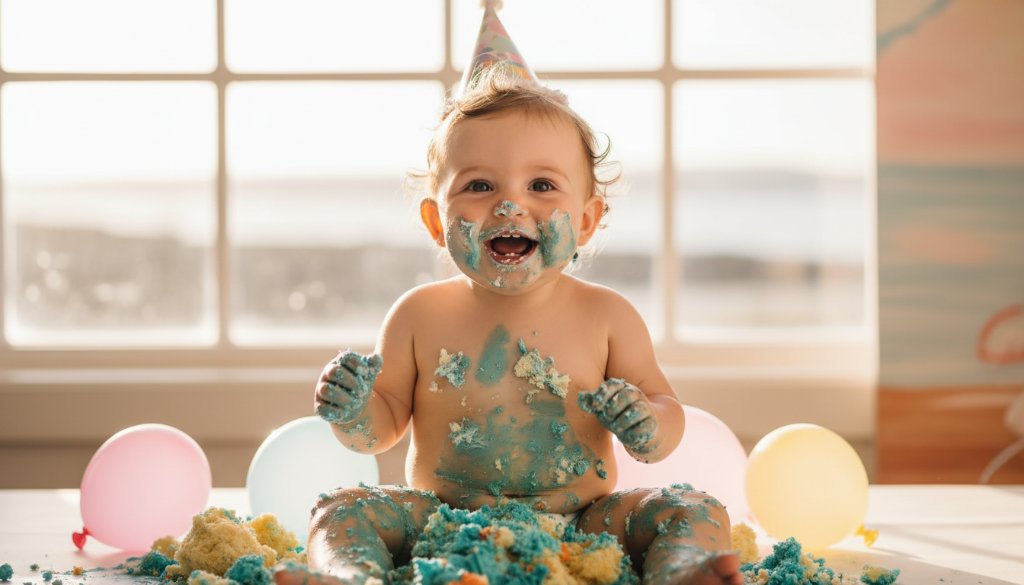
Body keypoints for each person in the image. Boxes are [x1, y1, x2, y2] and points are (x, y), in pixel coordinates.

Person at [275, 6, 741, 585]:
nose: (509, 204)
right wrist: (352, 413)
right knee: (342, 509)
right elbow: (384, 425)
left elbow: (663, 432)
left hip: (586, 524)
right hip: (442, 523)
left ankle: (683, 574)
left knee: (693, 508)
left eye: (542, 185)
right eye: (479, 185)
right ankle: (350, 577)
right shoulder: (419, 315)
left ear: (589, 220)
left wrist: (645, 422)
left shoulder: (608, 316)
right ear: (435, 220)